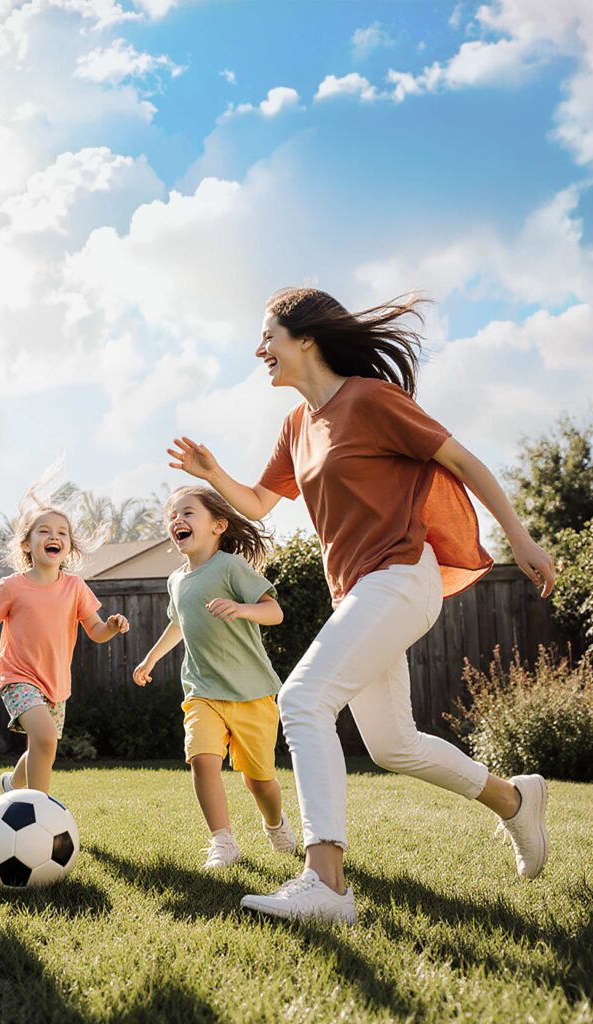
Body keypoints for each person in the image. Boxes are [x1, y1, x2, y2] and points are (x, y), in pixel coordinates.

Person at [169, 287, 556, 924]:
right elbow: (261, 504)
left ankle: (325, 880)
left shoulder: (371, 401)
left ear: (306, 339)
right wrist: (214, 474)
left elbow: (464, 461)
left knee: (301, 698)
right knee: (392, 746)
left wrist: (521, 538)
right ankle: (515, 801)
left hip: (401, 576)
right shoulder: (296, 426)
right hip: (357, 592)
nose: (259, 348)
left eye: (268, 335)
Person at [133, 486, 297, 870]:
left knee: (259, 781)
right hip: (202, 690)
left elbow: (274, 612)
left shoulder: (230, 566)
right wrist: (151, 658)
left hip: (251, 693)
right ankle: (222, 842)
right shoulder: (176, 581)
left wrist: (242, 608)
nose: (177, 520)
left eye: (188, 513)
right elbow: (178, 625)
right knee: (202, 759)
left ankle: (274, 823)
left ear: (218, 525)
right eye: (172, 515)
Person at [0, 506, 130, 794]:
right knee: (45, 739)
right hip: (17, 676)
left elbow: (97, 632)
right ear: (27, 543)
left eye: (62, 532)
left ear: (69, 546)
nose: (55, 536)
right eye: (45, 531)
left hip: (56, 684)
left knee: (43, 745)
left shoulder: (75, 587)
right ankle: (40, 806)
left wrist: (111, 626)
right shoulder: (12, 586)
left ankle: (11, 784)